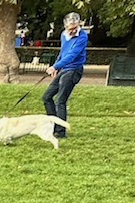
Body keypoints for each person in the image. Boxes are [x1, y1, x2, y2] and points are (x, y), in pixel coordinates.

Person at [44, 12, 87, 141]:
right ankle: (54, 125)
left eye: (75, 27)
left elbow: (72, 56)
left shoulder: (82, 37)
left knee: (60, 101)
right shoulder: (64, 35)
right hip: (64, 69)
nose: (73, 30)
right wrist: (56, 67)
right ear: (66, 26)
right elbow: (63, 53)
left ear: (78, 24)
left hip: (74, 70)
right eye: (70, 27)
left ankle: (60, 132)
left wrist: (55, 67)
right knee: (46, 97)